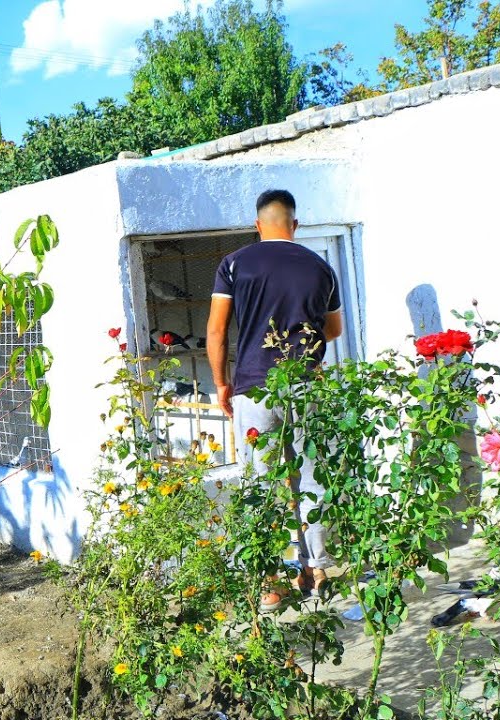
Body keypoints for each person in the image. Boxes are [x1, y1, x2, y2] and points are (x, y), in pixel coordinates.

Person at [206, 189, 342, 606]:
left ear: (258, 225)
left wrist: (222, 383)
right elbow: (333, 329)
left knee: (260, 483)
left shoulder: (234, 264)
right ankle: (316, 570)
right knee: (311, 477)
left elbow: (216, 330)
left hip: (254, 387)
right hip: (305, 384)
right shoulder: (321, 268)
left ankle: (269, 583)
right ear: (294, 225)